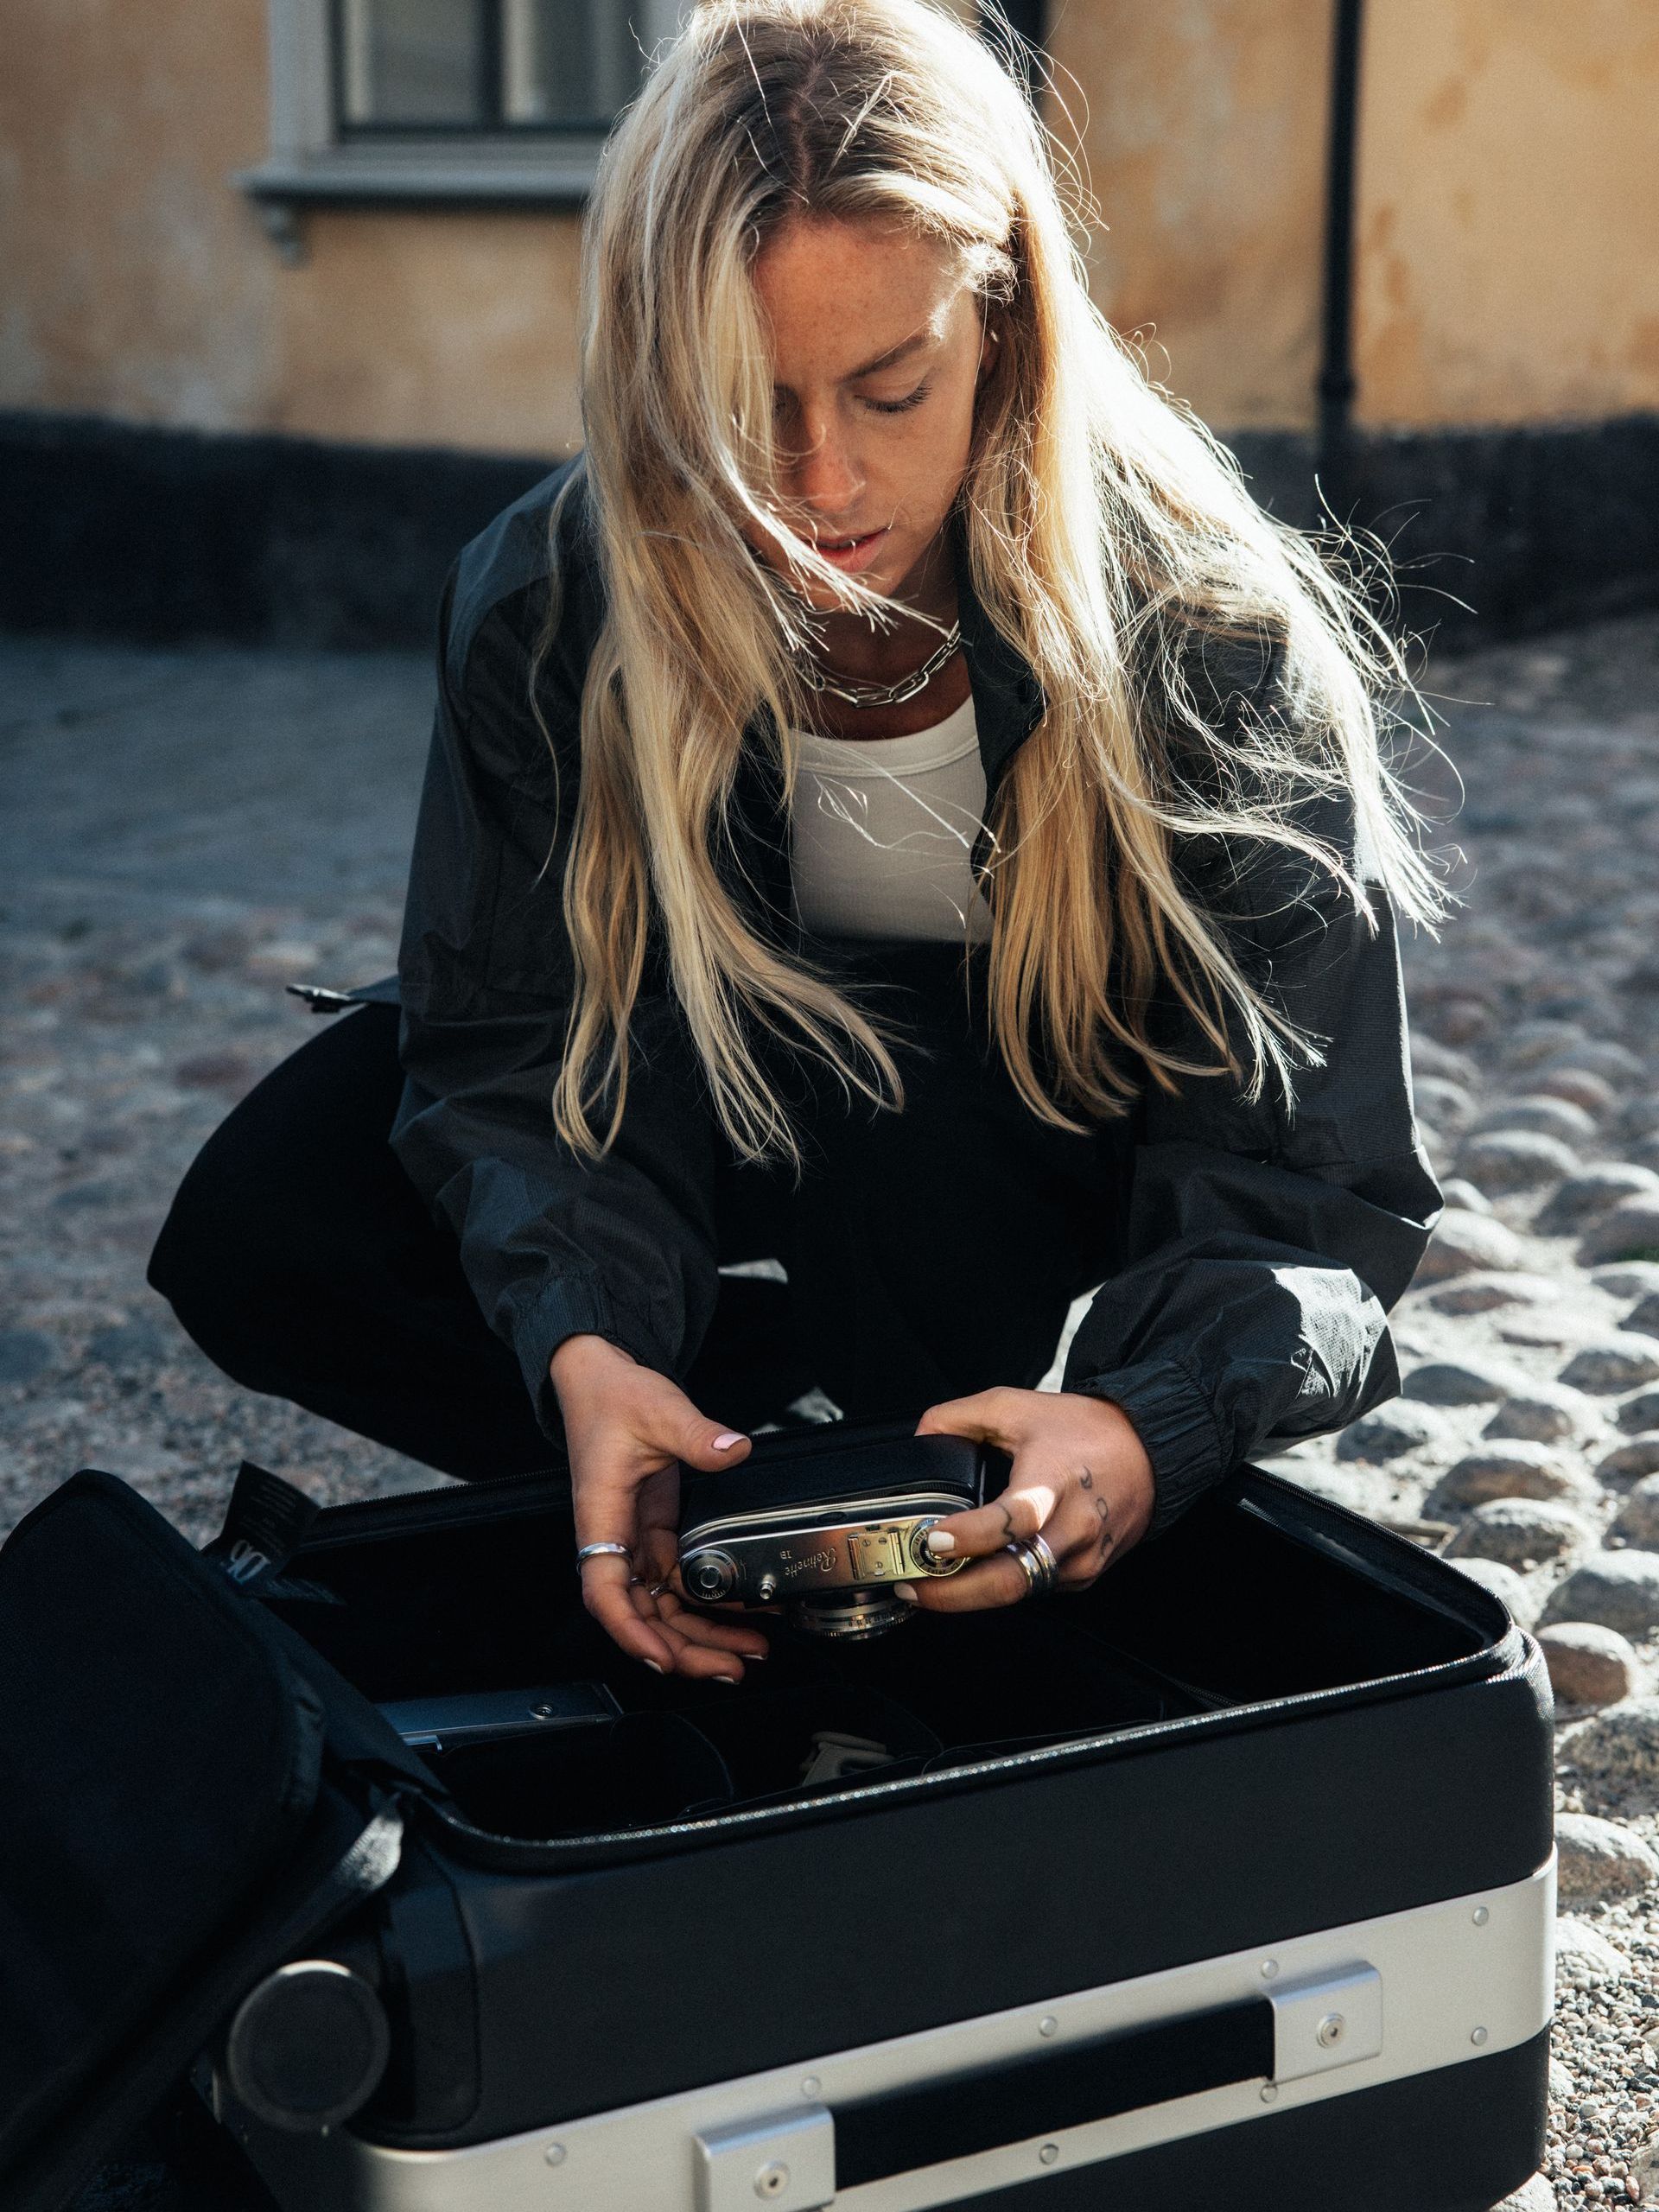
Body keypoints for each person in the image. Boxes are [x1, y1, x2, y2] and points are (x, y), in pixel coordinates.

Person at [149, 0, 1441, 1688]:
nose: (821, 483)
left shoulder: (1210, 636)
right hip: (722, 1074)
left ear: (1003, 333)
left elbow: (1311, 1184)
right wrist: (590, 1350)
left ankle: (942, 1469)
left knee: (910, 1136)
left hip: (1024, 1144)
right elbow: (511, 1047)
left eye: (891, 389)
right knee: (278, 1208)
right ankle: (754, 1461)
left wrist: (1148, 1421)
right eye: (746, 405)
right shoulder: (551, 599)